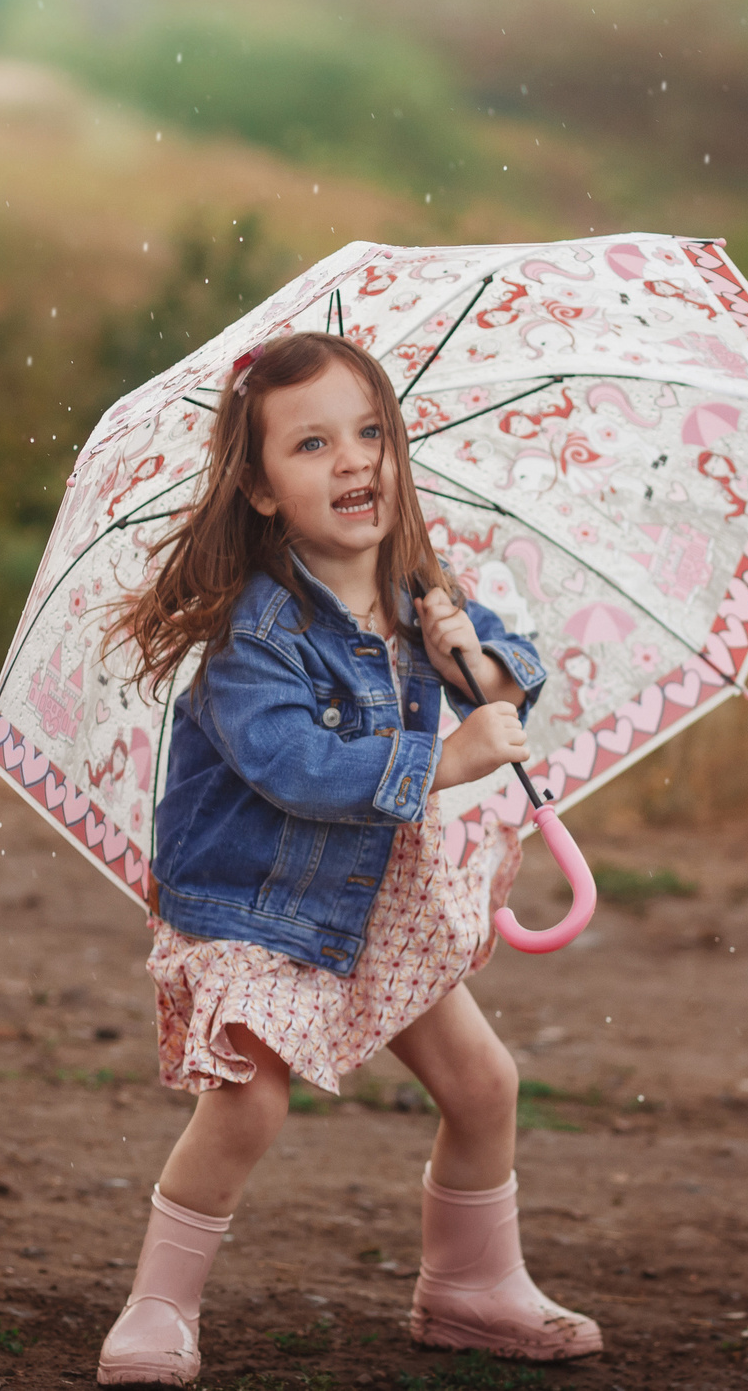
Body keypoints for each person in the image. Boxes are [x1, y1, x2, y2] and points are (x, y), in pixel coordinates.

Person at [96, 331, 600, 1386]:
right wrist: (448, 754)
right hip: (258, 905)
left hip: (370, 897)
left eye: (370, 433)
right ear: (265, 490)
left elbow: (510, 672)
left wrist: (481, 663)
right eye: (313, 444)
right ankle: (158, 1304)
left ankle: (469, 1287)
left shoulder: (417, 590)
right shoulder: (253, 632)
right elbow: (295, 765)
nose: (354, 461)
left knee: (484, 1083)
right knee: (249, 1100)